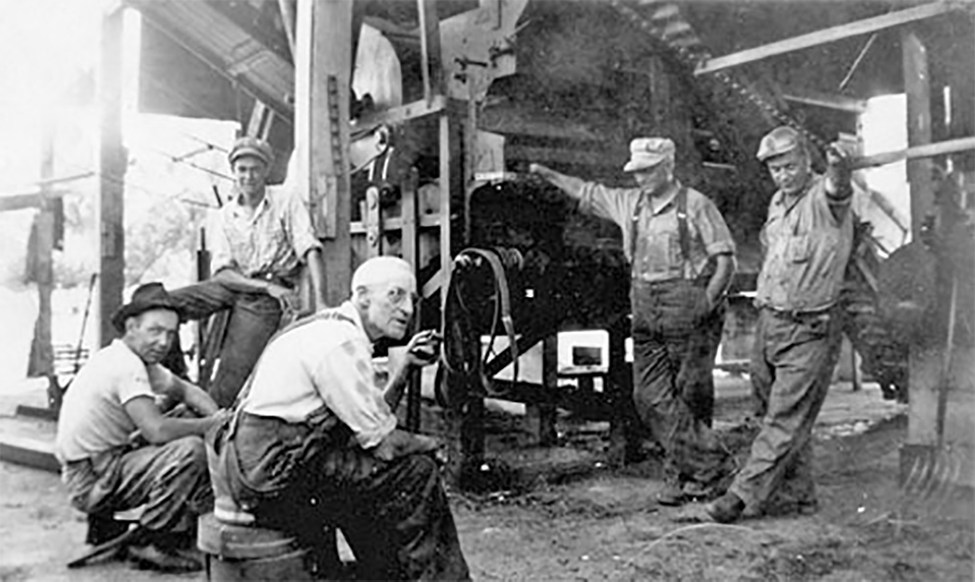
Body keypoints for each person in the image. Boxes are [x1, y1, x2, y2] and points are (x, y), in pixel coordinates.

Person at [209, 256, 470, 581]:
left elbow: (368, 423)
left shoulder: (331, 327)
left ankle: (384, 574)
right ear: (362, 297)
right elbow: (384, 443)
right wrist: (432, 445)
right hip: (269, 473)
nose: (407, 309)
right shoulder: (341, 342)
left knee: (361, 470)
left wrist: (404, 369)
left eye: (411, 300)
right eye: (395, 295)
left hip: (261, 466)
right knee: (417, 472)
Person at [530, 137, 737, 506]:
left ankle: (685, 478)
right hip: (644, 306)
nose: (640, 177)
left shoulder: (696, 205)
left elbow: (726, 261)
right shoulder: (630, 204)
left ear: (668, 168)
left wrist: (705, 302)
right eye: (636, 171)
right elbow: (587, 192)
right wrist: (549, 175)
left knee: (689, 394)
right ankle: (715, 465)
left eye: (647, 170)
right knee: (649, 397)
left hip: (686, 303)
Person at [706, 126, 855, 523]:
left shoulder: (827, 199)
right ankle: (799, 494)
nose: (783, 176)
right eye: (775, 170)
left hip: (810, 328)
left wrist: (841, 168)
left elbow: (839, 187)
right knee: (771, 411)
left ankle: (740, 497)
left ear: (808, 161)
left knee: (784, 418)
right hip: (770, 322)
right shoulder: (777, 204)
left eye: (790, 166)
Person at [55, 283, 225, 572]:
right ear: (131, 327)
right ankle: (152, 540)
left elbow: (188, 392)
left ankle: (115, 528)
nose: (163, 342)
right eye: (155, 330)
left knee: (184, 413)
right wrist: (213, 425)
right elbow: (155, 431)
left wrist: (220, 418)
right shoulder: (126, 366)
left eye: (170, 334)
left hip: (99, 464)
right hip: (90, 480)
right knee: (190, 451)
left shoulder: (132, 359)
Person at [169, 136, 326, 408]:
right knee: (157, 302)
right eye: (242, 170)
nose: (248, 176)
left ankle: (210, 421)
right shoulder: (227, 214)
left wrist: (321, 301)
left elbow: (309, 248)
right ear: (234, 173)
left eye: (254, 169)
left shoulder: (286, 200)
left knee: (227, 385)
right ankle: (175, 382)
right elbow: (222, 273)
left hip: (265, 300)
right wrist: (265, 286)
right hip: (241, 284)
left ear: (266, 171)